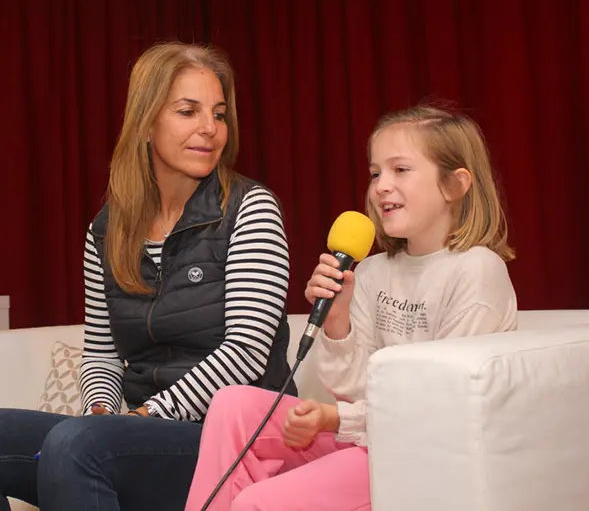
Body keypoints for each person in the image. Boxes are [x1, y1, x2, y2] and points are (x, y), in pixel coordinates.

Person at [0, 41, 297, 511]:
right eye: (188, 111)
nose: (210, 129)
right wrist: (103, 412)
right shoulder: (107, 231)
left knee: (77, 445)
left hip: (235, 438)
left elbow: (246, 352)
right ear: (146, 122)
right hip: (139, 435)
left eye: (219, 114)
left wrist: (144, 417)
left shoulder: (250, 208)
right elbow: (103, 354)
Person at [184, 105, 518, 511]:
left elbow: (440, 410)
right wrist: (337, 320)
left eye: (401, 170)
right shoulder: (374, 271)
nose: (381, 187)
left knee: (259, 502)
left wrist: (338, 419)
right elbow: (356, 388)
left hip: (421, 456)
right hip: (370, 436)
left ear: (455, 184)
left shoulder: (476, 270)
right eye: (376, 173)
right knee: (232, 404)